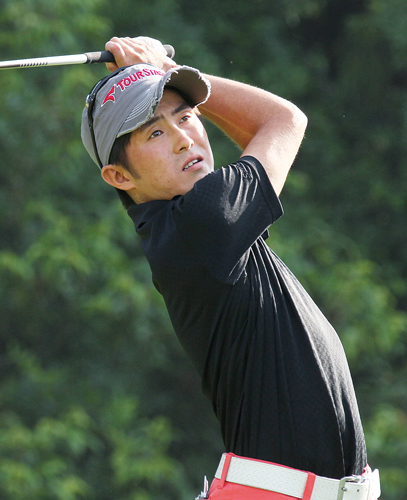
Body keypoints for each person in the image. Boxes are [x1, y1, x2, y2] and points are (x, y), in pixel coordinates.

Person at [81, 36, 380, 500]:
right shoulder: (203, 222)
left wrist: (162, 77)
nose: (184, 138)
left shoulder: (189, 226)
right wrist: (171, 69)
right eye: (155, 133)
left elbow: (265, 136)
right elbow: (284, 121)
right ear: (119, 176)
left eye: (186, 116)